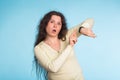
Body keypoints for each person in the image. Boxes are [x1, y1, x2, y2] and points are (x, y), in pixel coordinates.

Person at [34, 11, 96, 80]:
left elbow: (91, 20)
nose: (55, 26)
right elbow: (53, 68)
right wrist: (70, 46)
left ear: (61, 27)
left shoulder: (66, 36)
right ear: (45, 24)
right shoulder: (38, 48)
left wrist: (82, 29)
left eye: (59, 23)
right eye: (52, 22)